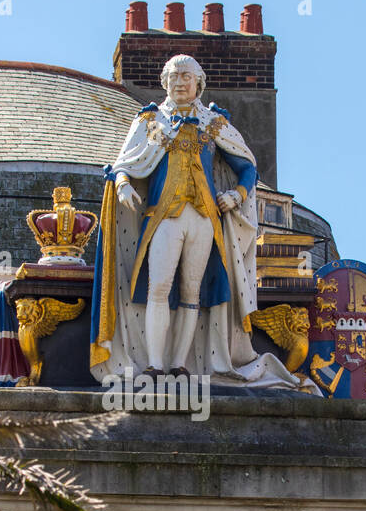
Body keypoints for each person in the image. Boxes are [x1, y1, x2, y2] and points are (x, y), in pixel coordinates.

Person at [89, 54, 313, 391]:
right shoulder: (151, 121)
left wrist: (237, 195)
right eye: (174, 77)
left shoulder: (214, 122)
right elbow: (125, 162)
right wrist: (121, 184)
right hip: (164, 216)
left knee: (193, 291)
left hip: (205, 218)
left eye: (187, 77)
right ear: (165, 83)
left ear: (199, 83)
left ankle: (179, 363)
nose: (180, 82)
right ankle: (154, 364)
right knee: (159, 287)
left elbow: (248, 166)